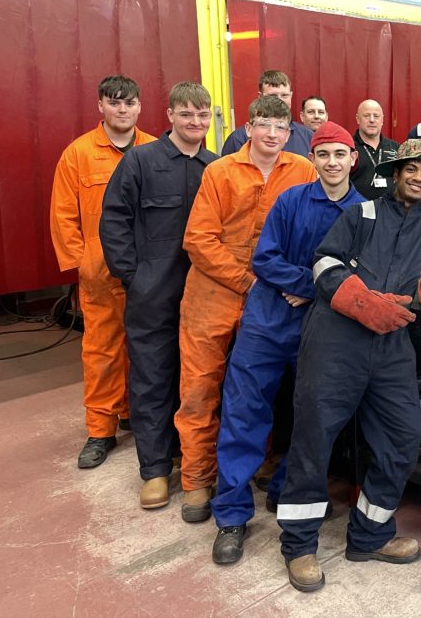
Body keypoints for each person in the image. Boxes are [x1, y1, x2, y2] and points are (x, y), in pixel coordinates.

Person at [276, 139, 421, 593]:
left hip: (391, 344)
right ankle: (299, 546)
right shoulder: (361, 214)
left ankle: (370, 536)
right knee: (314, 439)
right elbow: (323, 263)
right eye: (412, 169)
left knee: (402, 437)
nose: (419, 178)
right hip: (337, 337)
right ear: (396, 174)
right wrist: (360, 301)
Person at [209, 122, 364, 564]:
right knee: (244, 413)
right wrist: (306, 282)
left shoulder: (364, 214)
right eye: (324, 154)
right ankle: (232, 515)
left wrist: (313, 289)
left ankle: (283, 492)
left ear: (353, 159)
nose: (332, 162)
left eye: (340, 154)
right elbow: (263, 258)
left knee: (307, 416)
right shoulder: (290, 201)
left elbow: (361, 275)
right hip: (266, 321)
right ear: (312, 159)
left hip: (319, 329)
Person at [175, 95, 315, 521]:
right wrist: (249, 280)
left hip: (274, 305)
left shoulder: (303, 171)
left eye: (280, 127)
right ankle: (198, 479)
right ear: (248, 127)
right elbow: (198, 239)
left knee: (263, 393)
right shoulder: (219, 172)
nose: (271, 134)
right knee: (200, 388)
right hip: (213, 296)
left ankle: (258, 467)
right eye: (264, 124)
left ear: (290, 134)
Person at [100, 82, 217, 507]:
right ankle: (154, 469)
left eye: (202, 115)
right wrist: (133, 277)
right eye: (186, 114)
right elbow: (113, 220)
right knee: (152, 377)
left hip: (206, 296)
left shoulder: (216, 166)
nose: (195, 123)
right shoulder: (140, 161)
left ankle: (194, 459)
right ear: (169, 115)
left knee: (199, 380)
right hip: (153, 292)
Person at [50, 75, 157, 469]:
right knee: (102, 351)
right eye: (114, 103)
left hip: (149, 273)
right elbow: (63, 215)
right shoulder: (78, 154)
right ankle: (100, 429)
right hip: (101, 276)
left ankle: (133, 411)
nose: (122, 109)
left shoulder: (154, 151)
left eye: (129, 102)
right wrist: (84, 262)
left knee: (146, 348)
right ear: (100, 106)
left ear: (140, 107)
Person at [221, 70, 314, 157]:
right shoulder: (237, 139)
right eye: (273, 96)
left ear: (291, 95)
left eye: (284, 95)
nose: (279, 100)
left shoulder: (307, 136)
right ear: (260, 96)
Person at [350, 98, 399, 200]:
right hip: (358, 210)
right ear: (358, 119)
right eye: (366, 116)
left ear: (382, 120)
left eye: (376, 116)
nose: (372, 120)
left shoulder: (396, 148)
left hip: (391, 211)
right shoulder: (348, 147)